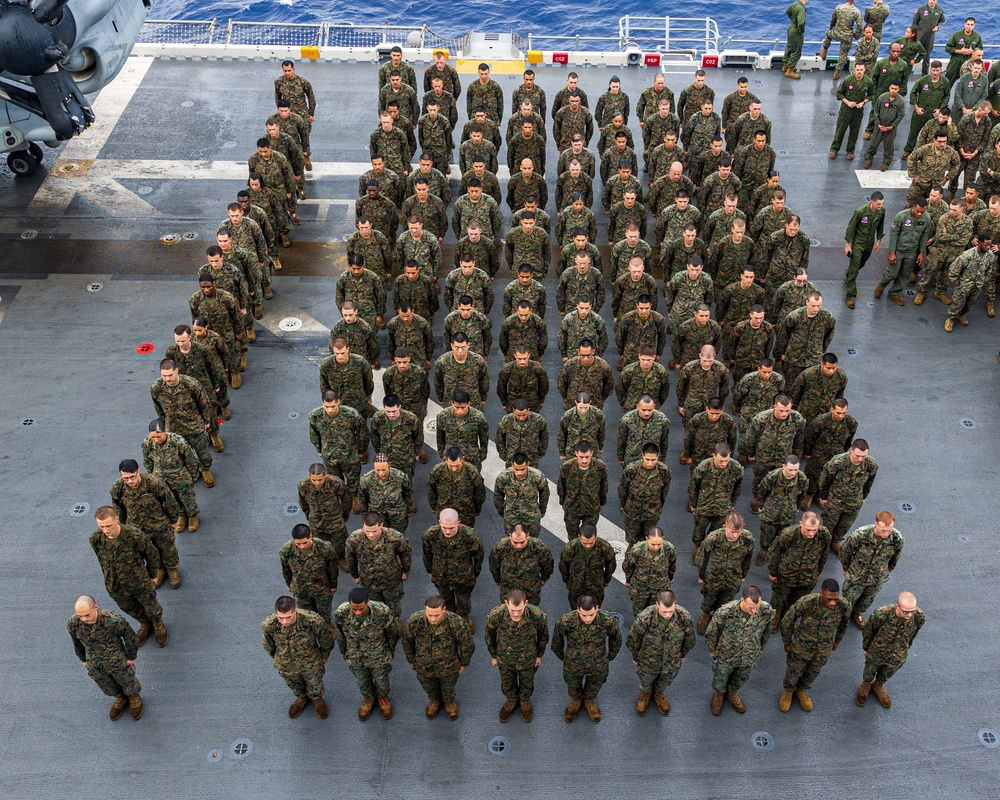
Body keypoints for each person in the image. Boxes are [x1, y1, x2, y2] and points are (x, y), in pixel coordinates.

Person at [89, 506, 167, 648]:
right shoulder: (96, 539)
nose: (105, 530)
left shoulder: (134, 536)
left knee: (150, 605)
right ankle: (144, 623)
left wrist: (153, 574)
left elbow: (151, 555)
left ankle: (157, 623)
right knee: (129, 607)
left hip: (139, 581)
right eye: (101, 527)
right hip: (115, 585)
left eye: (108, 526)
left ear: (117, 519)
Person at [779, 578, 851, 712]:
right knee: (794, 670)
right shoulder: (807, 602)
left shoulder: (843, 605)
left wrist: (837, 640)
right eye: (829, 598)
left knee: (813, 671)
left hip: (823, 648)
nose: (832, 603)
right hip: (802, 645)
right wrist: (787, 642)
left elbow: (844, 624)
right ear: (821, 593)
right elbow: (787, 621)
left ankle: (802, 689)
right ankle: (788, 690)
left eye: (835, 599)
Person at [67, 594, 143, 721]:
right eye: (80, 616)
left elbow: (130, 637)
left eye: (87, 615)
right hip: (95, 663)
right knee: (106, 685)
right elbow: (76, 642)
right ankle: (120, 697)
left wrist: (131, 656)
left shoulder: (112, 620)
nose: (84, 619)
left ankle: (133, 697)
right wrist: (83, 659)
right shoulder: (73, 624)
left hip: (116, 659)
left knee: (126, 680)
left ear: (95, 607)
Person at [109, 460, 182, 591]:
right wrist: (125, 527)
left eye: (132, 477)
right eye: (126, 478)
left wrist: (173, 520)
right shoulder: (117, 489)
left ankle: (172, 569)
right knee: (149, 552)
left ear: (138, 472)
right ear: (121, 475)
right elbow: (119, 508)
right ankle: (160, 569)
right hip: (138, 528)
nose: (130, 481)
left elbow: (170, 502)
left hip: (159, 525)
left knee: (167, 548)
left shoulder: (154, 484)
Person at [402, 594, 475, 721]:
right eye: (429, 615)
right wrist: (411, 659)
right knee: (428, 685)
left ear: (444, 609)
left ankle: (449, 701)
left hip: (448, 665)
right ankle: (434, 700)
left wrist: (464, 663)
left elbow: (467, 644)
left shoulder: (456, 622)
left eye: (437, 615)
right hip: (423, 664)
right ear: (425, 609)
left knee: (448, 686)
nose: (433, 619)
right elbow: (407, 641)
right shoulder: (414, 621)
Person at [705, 585, 775, 715]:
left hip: (750, 653)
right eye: (751, 608)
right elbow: (712, 632)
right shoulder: (726, 612)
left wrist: (761, 647)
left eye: (756, 608)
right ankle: (718, 695)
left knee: (741, 677)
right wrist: (713, 649)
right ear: (742, 599)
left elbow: (767, 630)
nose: (754, 611)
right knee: (721, 677)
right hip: (726, 653)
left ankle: (732, 693)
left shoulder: (766, 611)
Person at [262, 595, 335, 719]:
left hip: (310, 662)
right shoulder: (270, 624)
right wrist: (274, 657)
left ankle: (317, 699)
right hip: (286, 663)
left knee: (315, 683)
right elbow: (267, 643)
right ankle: (302, 698)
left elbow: (326, 638)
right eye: (281, 618)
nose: (285, 622)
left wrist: (324, 655)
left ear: (295, 610)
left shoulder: (311, 620)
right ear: (276, 614)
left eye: (289, 617)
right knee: (294, 684)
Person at [551, 595, 622, 722]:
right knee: (572, 685)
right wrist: (563, 657)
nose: (588, 619)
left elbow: (616, 639)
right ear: (578, 609)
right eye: (584, 615)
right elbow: (557, 640)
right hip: (574, 663)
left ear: (597, 608)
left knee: (595, 684)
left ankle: (589, 700)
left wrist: (609, 656)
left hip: (598, 663)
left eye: (591, 614)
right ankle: (576, 700)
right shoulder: (567, 621)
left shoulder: (607, 620)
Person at [626, 589, 696, 717]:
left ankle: (659, 693)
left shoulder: (684, 617)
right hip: (649, 660)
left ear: (676, 603)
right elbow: (633, 640)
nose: (668, 615)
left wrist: (682, 655)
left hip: (672, 659)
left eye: (671, 611)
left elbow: (689, 639)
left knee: (666, 680)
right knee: (646, 680)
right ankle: (645, 695)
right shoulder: (645, 618)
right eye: (664, 611)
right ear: (657, 604)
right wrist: (635, 657)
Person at [335, 587, 400, 720]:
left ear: (368, 602)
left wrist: (391, 650)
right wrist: (343, 650)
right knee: (361, 681)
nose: (357, 612)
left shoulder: (381, 612)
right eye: (354, 609)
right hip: (355, 655)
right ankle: (368, 699)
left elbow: (392, 633)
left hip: (378, 655)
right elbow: (340, 634)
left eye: (361, 609)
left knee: (382, 681)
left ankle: (383, 699)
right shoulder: (341, 612)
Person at [485, 589, 549, 724]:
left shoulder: (536, 615)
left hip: (528, 657)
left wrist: (539, 655)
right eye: (512, 610)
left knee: (527, 682)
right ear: (506, 603)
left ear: (525, 603)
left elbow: (543, 636)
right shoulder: (496, 615)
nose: (515, 614)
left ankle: (525, 700)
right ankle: (512, 699)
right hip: (505, 657)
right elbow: (489, 636)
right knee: (507, 682)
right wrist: (494, 655)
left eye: (519, 610)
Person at [150, 359, 216, 484]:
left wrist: (206, 420)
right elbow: (158, 407)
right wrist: (164, 424)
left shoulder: (191, 384)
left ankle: (206, 469)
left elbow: (204, 403)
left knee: (202, 451)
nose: (167, 379)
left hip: (194, 425)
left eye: (170, 375)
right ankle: (193, 472)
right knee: (180, 454)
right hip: (173, 427)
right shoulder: (156, 388)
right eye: (164, 375)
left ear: (177, 370)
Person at [856, 591, 925, 707]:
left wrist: (906, 649)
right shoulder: (881, 614)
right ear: (897, 606)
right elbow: (868, 631)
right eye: (906, 612)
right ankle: (866, 685)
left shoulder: (919, 617)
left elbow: (913, 634)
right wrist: (866, 648)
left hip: (898, 654)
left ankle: (878, 685)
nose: (910, 615)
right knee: (869, 671)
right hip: (877, 651)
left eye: (913, 611)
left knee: (888, 672)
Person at [421, 509, 484, 631]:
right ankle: (450, 624)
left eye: (451, 528)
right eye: (444, 527)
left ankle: (464, 622)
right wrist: (429, 571)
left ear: (458, 523)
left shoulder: (470, 536)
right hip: (441, 576)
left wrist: (476, 573)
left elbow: (478, 556)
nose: (447, 531)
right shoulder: (430, 535)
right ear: (439, 522)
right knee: (446, 601)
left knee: (464, 603)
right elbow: (426, 554)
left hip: (463, 577)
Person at [768, 512, 833, 629]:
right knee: (779, 596)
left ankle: (790, 617)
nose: (811, 533)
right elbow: (774, 553)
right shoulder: (788, 535)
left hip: (808, 575)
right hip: (787, 573)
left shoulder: (824, 535)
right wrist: (773, 572)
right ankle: (775, 615)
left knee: (798, 600)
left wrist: (819, 571)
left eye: (815, 530)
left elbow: (824, 554)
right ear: (801, 524)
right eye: (808, 529)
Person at [840, 510, 905, 627]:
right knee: (848, 597)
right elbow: (845, 552)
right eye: (883, 531)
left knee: (867, 600)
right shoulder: (860, 535)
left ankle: (857, 613)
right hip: (857, 575)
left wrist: (885, 572)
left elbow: (895, 558)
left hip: (877, 578)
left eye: (889, 531)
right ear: (876, 524)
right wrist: (846, 568)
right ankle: (842, 615)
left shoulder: (897, 539)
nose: (886, 534)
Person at [308, 390, 370, 512]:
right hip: (330, 456)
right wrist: (319, 449)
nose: (330, 410)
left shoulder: (351, 415)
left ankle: (354, 497)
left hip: (350, 455)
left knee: (353, 479)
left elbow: (363, 433)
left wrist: (361, 450)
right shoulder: (316, 416)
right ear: (322, 403)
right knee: (336, 480)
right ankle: (343, 497)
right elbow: (314, 434)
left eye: (333, 406)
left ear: (338, 402)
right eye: (327, 406)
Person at [696, 512, 755, 634]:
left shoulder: (747, 539)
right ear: (724, 526)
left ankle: (718, 619)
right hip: (713, 576)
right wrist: (701, 575)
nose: (735, 535)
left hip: (733, 576)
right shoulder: (713, 538)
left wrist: (744, 574)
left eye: (738, 532)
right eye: (732, 531)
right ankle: (706, 615)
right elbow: (702, 558)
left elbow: (748, 558)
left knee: (726, 602)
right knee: (708, 597)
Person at [345, 512, 412, 619]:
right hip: (369, 582)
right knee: (375, 608)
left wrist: (405, 571)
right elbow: (350, 558)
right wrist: (355, 575)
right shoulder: (354, 540)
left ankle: (395, 624)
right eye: (367, 531)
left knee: (394, 607)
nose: (371, 535)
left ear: (381, 525)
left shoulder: (394, 537)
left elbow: (405, 554)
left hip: (391, 580)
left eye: (375, 531)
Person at [817, 438, 879, 551]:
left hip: (854, 502)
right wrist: (823, 496)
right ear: (851, 450)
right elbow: (825, 480)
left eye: (863, 456)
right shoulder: (837, 463)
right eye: (857, 455)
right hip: (835, 500)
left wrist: (864, 497)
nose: (860, 459)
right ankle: (823, 544)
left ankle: (835, 541)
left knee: (844, 526)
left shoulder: (871, 465)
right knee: (828, 525)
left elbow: (869, 482)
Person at [142, 419, 200, 534]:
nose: (156, 440)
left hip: (179, 476)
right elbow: (147, 461)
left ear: (166, 431)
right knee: (171, 500)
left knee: (187, 498)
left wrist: (194, 474)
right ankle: (182, 515)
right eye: (153, 437)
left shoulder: (178, 442)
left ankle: (193, 515)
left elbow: (190, 459)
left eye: (159, 437)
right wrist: (152, 476)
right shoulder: (147, 443)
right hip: (161, 478)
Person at [688, 444, 744, 561]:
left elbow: (737, 487)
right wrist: (693, 504)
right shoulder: (703, 467)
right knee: (699, 531)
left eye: (726, 460)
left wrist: (732, 503)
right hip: (704, 505)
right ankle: (699, 548)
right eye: (720, 461)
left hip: (723, 506)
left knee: (716, 532)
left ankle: (710, 550)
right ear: (713, 455)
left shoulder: (736, 468)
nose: (723, 464)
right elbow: (694, 487)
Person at [802, 397, 858, 509]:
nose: (841, 416)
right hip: (819, 454)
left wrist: (844, 451)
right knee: (813, 475)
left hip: (835, 456)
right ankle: (808, 494)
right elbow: (809, 438)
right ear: (832, 409)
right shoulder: (820, 422)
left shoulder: (851, 423)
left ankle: (820, 495)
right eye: (838, 413)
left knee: (830, 476)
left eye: (844, 413)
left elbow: (849, 439)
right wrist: (808, 453)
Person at [773, 292, 837, 385]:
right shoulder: (794, 316)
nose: (816, 309)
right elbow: (783, 336)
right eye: (813, 305)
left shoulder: (827, 317)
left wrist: (821, 350)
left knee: (809, 384)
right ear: (807, 302)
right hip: (794, 358)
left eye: (818, 306)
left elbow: (829, 335)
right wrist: (781, 353)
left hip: (813, 358)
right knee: (791, 384)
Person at [298, 463, 352, 571]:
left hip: (335, 518)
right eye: (314, 480)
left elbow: (346, 499)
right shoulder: (304, 485)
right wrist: (308, 516)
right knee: (319, 542)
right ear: (309, 476)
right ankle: (325, 559)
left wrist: (345, 515)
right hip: (316, 519)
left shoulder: (336, 483)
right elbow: (303, 502)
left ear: (325, 474)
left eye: (320, 479)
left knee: (340, 541)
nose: (317, 483)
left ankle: (341, 557)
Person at [618, 444, 672, 547]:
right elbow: (622, 488)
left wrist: (659, 506)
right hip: (633, 510)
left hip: (652, 512)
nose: (650, 463)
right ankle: (631, 547)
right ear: (642, 456)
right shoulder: (631, 470)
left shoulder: (664, 472)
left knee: (648, 535)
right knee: (631, 534)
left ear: (658, 457)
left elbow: (664, 491)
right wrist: (623, 504)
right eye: (647, 459)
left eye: (653, 460)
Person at [488, 525, 554, 606]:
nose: (519, 546)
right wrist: (497, 580)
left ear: (527, 536)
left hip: (531, 591)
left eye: (522, 542)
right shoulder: (500, 547)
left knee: (531, 614)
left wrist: (544, 579)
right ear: (510, 536)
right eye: (515, 542)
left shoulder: (539, 548)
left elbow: (548, 566)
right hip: (508, 590)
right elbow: (494, 565)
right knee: (510, 614)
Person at [558, 523, 617, 609]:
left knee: (595, 606)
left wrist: (607, 580)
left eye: (591, 543)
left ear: (596, 536)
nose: (588, 546)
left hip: (596, 584)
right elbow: (563, 565)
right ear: (579, 536)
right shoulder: (570, 548)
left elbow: (611, 565)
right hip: (576, 584)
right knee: (575, 606)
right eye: (584, 543)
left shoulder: (604, 547)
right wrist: (566, 580)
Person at [842, 192, 886, 307]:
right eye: (878, 204)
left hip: (869, 244)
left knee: (862, 263)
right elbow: (851, 227)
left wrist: (879, 240)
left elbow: (881, 225)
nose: (879, 206)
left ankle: (849, 272)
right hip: (858, 243)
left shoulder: (881, 211)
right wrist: (847, 244)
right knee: (855, 269)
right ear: (871, 201)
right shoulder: (860, 212)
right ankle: (851, 296)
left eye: (881, 204)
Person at [944, 234, 995, 331]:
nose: (988, 247)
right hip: (964, 285)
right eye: (985, 245)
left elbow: (989, 270)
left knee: (970, 304)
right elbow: (954, 269)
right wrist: (957, 283)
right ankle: (951, 319)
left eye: (990, 245)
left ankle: (961, 315)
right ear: (979, 243)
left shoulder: (990, 256)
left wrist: (984, 281)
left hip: (977, 285)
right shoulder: (968, 255)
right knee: (958, 304)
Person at [622, 527, 677, 617]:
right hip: (640, 586)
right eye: (652, 544)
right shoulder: (637, 550)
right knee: (639, 610)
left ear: (663, 538)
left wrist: (671, 578)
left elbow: (672, 565)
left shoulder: (669, 549)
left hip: (660, 586)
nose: (656, 547)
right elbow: (628, 566)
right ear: (647, 539)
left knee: (657, 609)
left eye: (659, 544)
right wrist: (628, 580)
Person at [426, 446, 486, 526]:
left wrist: (478, 509)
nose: (454, 469)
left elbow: (479, 493)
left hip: (465, 514)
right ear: (446, 460)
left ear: (462, 459)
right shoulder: (437, 471)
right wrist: (433, 507)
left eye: (457, 465)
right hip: (444, 512)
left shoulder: (472, 472)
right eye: (451, 466)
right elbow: (431, 491)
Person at [494, 454, 550, 537]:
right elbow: (498, 495)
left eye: (522, 469)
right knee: (512, 543)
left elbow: (544, 493)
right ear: (512, 465)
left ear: (527, 464)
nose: (519, 473)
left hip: (531, 517)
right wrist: (500, 511)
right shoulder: (504, 477)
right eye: (516, 469)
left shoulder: (537, 476)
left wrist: (543, 509)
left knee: (532, 543)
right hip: (511, 517)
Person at [319, 337, 374, 417]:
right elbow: (324, 386)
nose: (340, 356)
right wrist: (331, 404)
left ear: (348, 349)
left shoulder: (360, 362)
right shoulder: (326, 365)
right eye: (337, 353)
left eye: (342, 353)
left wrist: (368, 397)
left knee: (360, 427)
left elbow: (368, 382)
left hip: (359, 405)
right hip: (339, 407)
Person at [788, 353, 849, 424]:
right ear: (821, 364)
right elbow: (795, 393)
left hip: (825, 414)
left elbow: (839, 395)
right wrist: (793, 413)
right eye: (828, 368)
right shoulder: (808, 375)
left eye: (834, 368)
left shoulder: (841, 377)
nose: (831, 371)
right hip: (807, 413)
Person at [369, 397, 421, 479]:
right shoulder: (378, 418)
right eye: (388, 411)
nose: (391, 415)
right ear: (384, 407)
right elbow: (374, 436)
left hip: (406, 458)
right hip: (387, 458)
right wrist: (379, 452)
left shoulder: (411, 419)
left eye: (394, 411)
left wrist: (417, 452)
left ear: (399, 407)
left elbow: (418, 436)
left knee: (406, 480)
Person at [435, 391, 490, 470]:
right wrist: (441, 453)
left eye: (463, 407)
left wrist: (482, 456)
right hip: (451, 456)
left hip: (471, 457)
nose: (460, 411)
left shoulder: (478, 417)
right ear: (452, 403)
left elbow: (484, 438)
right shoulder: (443, 416)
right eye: (457, 407)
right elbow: (440, 436)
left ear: (469, 404)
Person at [864, 81, 907, 171]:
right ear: (889, 88)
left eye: (895, 89)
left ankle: (886, 162)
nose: (893, 91)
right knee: (873, 143)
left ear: (898, 89)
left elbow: (901, 115)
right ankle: (868, 158)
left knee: (889, 146)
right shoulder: (882, 97)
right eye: (892, 88)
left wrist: (893, 126)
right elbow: (876, 111)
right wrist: (878, 123)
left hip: (891, 128)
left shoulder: (900, 101)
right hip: (879, 125)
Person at [819, 0, 863, 79]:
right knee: (843, 54)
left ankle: (824, 50)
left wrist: (831, 28)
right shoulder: (857, 11)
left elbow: (833, 20)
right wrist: (856, 36)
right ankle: (837, 72)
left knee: (828, 35)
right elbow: (860, 26)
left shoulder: (838, 7)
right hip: (847, 36)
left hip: (836, 32)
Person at [558, 393, 607, 460]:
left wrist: (600, 447)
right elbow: (562, 436)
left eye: (586, 407)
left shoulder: (598, 415)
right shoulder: (568, 416)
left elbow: (601, 433)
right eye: (580, 408)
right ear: (576, 403)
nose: (583, 410)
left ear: (590, 402)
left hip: (591, 452)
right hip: (572, 452)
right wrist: (562, 453)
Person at [912, 0, 946, 76]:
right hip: (919, 36)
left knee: (926, 56)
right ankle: (907, 71)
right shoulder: (921, 9)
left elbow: (942, 20)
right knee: (912, 53)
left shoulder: (939, 10)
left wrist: (937, 27)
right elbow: (914, 23)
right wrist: (913, 35)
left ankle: (924, 75)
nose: (932, 1)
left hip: (930, 37)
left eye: (934, 0)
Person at [782, 0, 808, 79]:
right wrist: (801, 30)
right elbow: (801, 23)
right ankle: (789, 71)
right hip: (796, 32)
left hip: (791, 28)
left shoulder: (795, 4)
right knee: (796, 51)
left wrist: (793, 21)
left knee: (789, 47)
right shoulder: (801, 8)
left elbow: (788, 11)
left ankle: (785, 66)